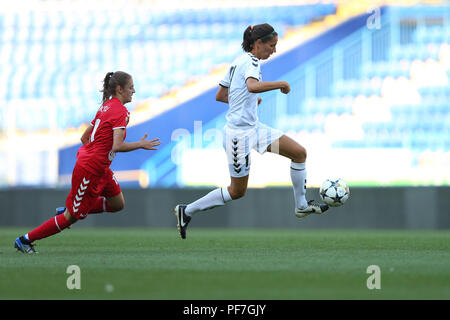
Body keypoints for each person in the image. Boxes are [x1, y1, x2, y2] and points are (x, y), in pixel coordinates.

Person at [174, 23, 329, 239]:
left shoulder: (238, 61)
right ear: (258, 43)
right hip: (238, 137)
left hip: (255, 130)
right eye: (271, 46)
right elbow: (252, 86)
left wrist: (246, 102)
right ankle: (187, 210)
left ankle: (301, 205)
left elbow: (221, 95)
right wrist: (281, 84)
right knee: (237, 191)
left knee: (299, 153)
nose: (273, 50)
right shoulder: (252, 62)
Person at [14, 71, 161, 253]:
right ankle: (25, 240)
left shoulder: (106, 106)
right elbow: (117, 145)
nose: (134, 91)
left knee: (117, 203)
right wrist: (139, 144)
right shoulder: (120, 111)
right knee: (71, 217)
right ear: (119, 89)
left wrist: (96, 154)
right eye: (131, 87)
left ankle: (72, 207)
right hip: (90, 169)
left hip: (99, 167)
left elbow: (85, 137)